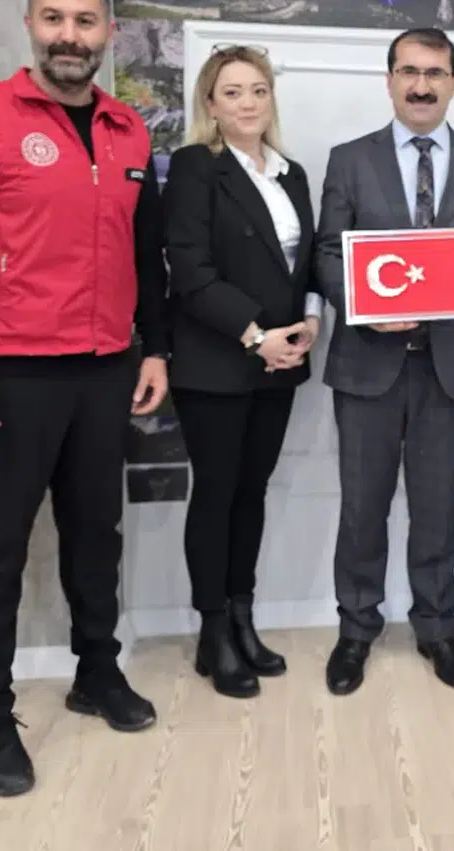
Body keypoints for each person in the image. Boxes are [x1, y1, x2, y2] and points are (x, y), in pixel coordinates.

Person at [0, 0, 169, 798]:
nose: (70, 35)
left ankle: (97, 671)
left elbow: (146, 255)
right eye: (54, 17)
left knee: (97, 536)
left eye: (85, 21)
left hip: (105, 370)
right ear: (30, 24)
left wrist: (155, 348)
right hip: (6, 375)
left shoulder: (130, 129)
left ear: (108, 33)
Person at [314, 27, 454, 695]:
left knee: (436, 509)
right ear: (390, 80)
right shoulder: (350, 160)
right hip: (366, 365)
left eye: (434, 73)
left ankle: (436, 628)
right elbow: (327, 253)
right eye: (409, 71)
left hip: (445, 367)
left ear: (453, 82)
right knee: (361, 509)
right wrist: (362, 306)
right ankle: (356, 629)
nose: (421, 85)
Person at [163, 45, 321, 700]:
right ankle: (213, 632)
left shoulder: (291, 173)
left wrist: (310, 319)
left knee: (251, 492)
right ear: (210, 103)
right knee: (217, 492)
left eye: (258, 89)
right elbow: (190, 271)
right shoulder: (196, 167)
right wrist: (256, 336)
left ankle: (242, 617)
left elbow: (307, 261)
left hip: (280, 361)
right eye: (232, 92)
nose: (248, 102)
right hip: (218, 361)